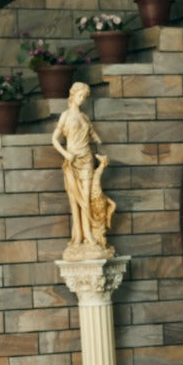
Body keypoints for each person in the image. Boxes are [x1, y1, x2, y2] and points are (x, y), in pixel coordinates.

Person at [52, 81, 115, 258]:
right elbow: (54, 139)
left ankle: (88, 233)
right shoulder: (65, 116)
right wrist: (66, 154)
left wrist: (98, 141)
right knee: (74, 200)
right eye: (80, 96)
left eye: (85, 97)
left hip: (86, 159)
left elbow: (94, 135)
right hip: (72, 160)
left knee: (86, 198)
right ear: (73, 95)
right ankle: (78, 236)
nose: (82, 99)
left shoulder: (85, 117)